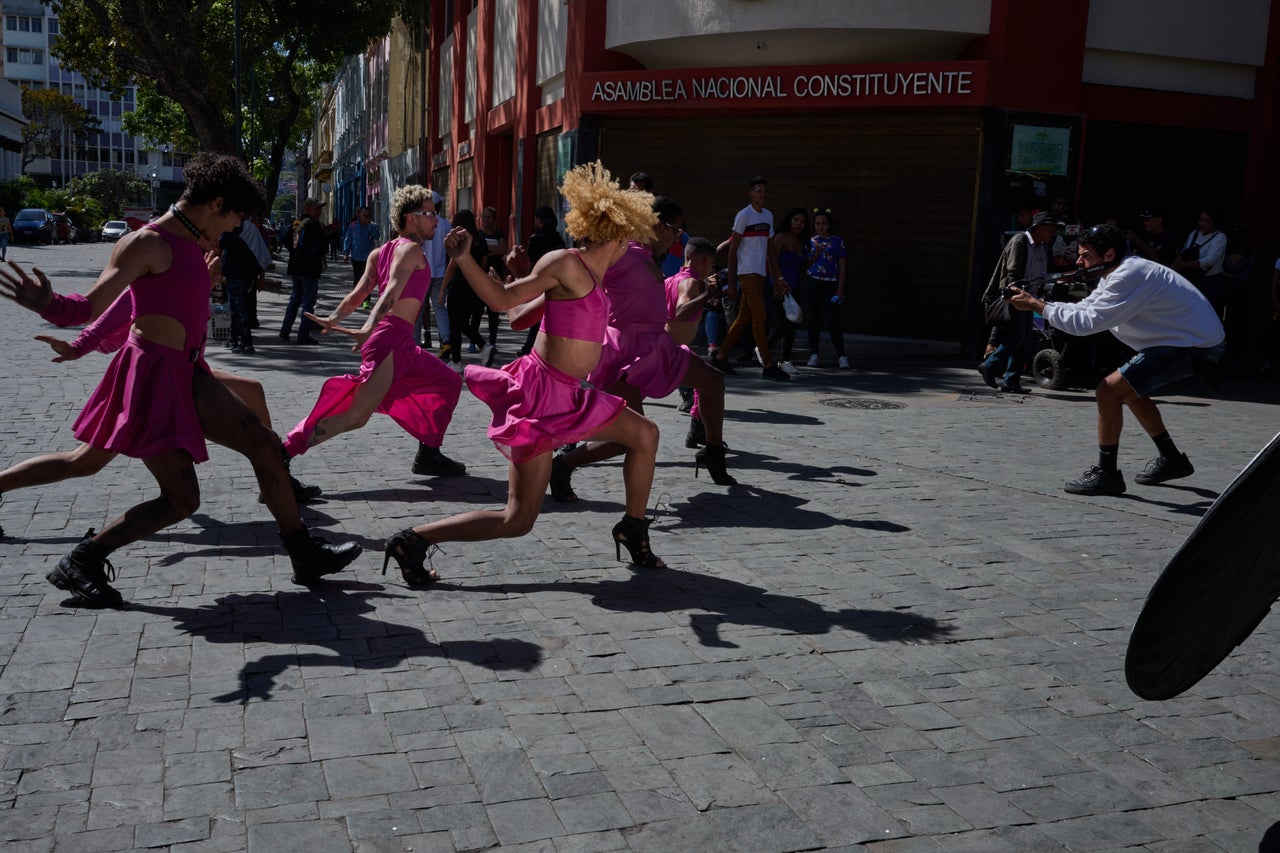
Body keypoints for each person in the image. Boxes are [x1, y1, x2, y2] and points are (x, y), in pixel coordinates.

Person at [0, 153, 360, 607]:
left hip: (189, 373)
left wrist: (201, 279)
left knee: (267, 447)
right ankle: (84, 559)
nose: (234, 229)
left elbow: (171, 298)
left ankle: (304, 553)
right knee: (169, 498)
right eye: (235, 218)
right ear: (216, 203)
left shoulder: (194, 245)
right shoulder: (145, 244)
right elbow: (94, 306)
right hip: (152, 379)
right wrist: (49, 307)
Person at [381, 162, 665, 585]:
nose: (632, 247)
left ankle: (633, 528)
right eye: (632, 239)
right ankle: (412, 539)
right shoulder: (566, 264)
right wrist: (466, 260)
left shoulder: (595, 278)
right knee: (517, 520)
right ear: (622, 233)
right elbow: (500, 302)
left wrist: (518, 274)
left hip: (573, 394)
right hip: (540, 395)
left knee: (645, 434)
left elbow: (518, 318)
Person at [1009, 224, 1225, 496]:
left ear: (1109, 254)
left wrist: (1036, 305)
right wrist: (1041, 302)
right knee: (1130, 390)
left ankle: (1107, 474)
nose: (1078, 261)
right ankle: (1172, 460)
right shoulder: (1116, 274)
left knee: (1108, 391)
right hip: (1179, 341)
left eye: (1085, 255)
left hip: (1193, 345)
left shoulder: (1129, 274)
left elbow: (1085, 323)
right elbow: (1084, 309)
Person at [551, 198, 735, 497]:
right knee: (631, 436)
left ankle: (713, 451)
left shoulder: (650, 258)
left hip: (657, 345)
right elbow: (577, 270)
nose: (679, 237)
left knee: (714, 381)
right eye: (677, 230)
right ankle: (565, 464)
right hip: (622, 351)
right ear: (659, 225)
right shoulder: (622, 251)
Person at [285, 185, 465, 478]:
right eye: (430, 213)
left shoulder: (379, 252)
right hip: (390, 340)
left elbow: (357, 296)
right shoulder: (410, 249)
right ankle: (283, 453)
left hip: (400, 341)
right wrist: (367, 327)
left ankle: (429, 453)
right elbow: (389, 292)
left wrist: (333, 317)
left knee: (448, 382)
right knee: (355, 416)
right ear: (411, 218)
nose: (436, 219)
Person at [707, 176, 790, 381]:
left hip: (761, 274)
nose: (762, 194)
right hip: (747, 274)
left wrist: (779, 277)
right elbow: (733, 250)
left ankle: (720, 355)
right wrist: (732, 283)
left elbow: (770, 250)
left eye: (764, 191)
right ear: (750, 193)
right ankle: (768, 364)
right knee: (760, 318)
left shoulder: (768, 216)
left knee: (744, 318)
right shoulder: (743, 216)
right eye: (758, 191)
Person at [978, 210, 1060, 393]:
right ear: (1039, 229)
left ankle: (1011, 381)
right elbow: (1013, 273)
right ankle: (989, 366)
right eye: (1050, 229)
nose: (1053, 234)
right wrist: (1018, 295)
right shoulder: (1020, 241)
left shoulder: (1043, 247)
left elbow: (1042, 273)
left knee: (1024, 341)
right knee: (1018, 337)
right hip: (1014, 296)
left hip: (1029, 298)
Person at [439, 209, 494, 368]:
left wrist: (442, 289)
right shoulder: (481, 240)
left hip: (458, 285)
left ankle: (458, 360)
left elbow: (452, 266)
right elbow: (483, 265)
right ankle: (481, 347)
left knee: (456, 324)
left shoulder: (459, 241)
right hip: (474, 286)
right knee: (462, 322)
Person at [803, 209, 850, 370]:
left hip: (831, 283)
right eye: (817, 224)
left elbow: (842, 266)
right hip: (812, 282)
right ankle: (814, 354)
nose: (821, 227)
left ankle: (842, 355)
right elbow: (804, 265)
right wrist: (816, 252)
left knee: (832, 320)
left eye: (824, 223)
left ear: (829, 225)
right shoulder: (808, 241)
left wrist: (840, 288)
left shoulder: (837, 241)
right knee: (812, 319)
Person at [518, 204, 567, 355]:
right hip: (556, 280)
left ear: (539, 221)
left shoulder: (536, 238)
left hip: (539, 281)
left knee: (536, 316)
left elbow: (530, 259)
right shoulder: (558, 237)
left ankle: (529, 348)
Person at [218, 218, 268, 354]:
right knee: (236, 307)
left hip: (237, 273)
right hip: (245, 273)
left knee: (238, 308)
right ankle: (234, 338)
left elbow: (221, 243)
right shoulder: (249, 227)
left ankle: (246, 342)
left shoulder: (235, 226)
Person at [280, 198, 326, 345]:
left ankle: (285, 330)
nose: (319, 212)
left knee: (294, 300)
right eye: (316, 208)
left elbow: (286, 239)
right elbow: (322, 246)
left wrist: (296, 253)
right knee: (308, 303)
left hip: (295, 267)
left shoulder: (298, 222)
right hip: (309, 269)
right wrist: (311, 255)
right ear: (308, 208)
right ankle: (303, 335)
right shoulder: (314, 224)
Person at [769, 207, 808, 374]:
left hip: (795, 288)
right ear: (789, 220)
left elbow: (803, 267)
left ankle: (785, 360)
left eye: (802, 222)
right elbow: (772, 260)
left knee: (793, 325)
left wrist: (815, 255)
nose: (799, 224)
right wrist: (777, 283)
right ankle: (764, 347)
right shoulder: (781, 237)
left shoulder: (801, 241)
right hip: (780, 287)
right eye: (796, 220)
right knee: (784, 324)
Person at [1172, 208, 1229, 318]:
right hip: (1192, 279)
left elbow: (1209, 260)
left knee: (1207, 313)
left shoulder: (1220, 237)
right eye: (1201, 220)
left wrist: (1185, 264)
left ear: (1214, 223)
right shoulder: (1194, 233)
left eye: (1206, 221)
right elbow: (1185, 249)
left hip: (1210, 281)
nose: (1202, 223)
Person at [414, 191, 450, 353]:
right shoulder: (446, 224)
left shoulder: (420, 223)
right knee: (440, 308)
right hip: (441, 272)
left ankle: (413, 343)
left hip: (422, 273)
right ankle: (446, 341)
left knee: (418, 310)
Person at [478, 205, 507, 349]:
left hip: (496, 276)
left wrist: (486, 251)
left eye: (488, 217)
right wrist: (491, 251)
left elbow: (502, 249)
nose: (486, 220)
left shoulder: (498, 234)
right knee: (477, 309)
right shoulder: (478, 235)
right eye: (484, 216)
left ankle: (493, 341)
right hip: (481, 275)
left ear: (494, 220)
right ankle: (474, 341)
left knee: (493, 310)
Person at [342, 206, 380, 287]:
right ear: (359, 215)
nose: (366, 217)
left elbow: (377, 236)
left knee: (367, 279)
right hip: (356, 256)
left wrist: (370, 226)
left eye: (368, 216)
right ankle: (357, 298)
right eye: (364, 215)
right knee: (357, 278)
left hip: (368, 257)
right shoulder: (353, 226)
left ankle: (366, 299)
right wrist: (346, 253)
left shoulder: (373, 226)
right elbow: (348, 239)